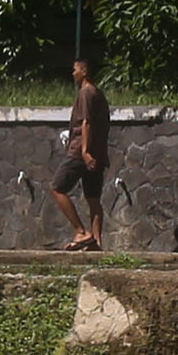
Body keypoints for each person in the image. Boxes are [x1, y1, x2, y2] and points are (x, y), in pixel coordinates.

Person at [49, 58, 108, 251]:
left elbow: (87, 123)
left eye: (75, 69)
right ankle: (96, 243)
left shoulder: (86, 93)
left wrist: (84, 151)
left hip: (81, 152)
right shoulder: (99, 94)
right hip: (98, 153)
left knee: (57, 188)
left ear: (84, 71)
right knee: (93, 199)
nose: (73, 73)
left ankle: (81, 232)